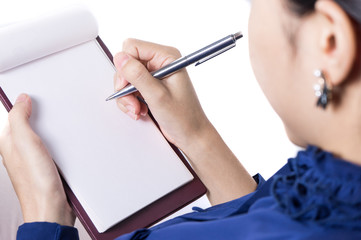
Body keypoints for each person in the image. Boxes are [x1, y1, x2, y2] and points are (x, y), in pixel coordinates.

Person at [1, 0, 361, 239]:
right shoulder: (329, 191)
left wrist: (43, 213)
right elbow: (261, 221)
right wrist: (195, 135)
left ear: (329, 41)